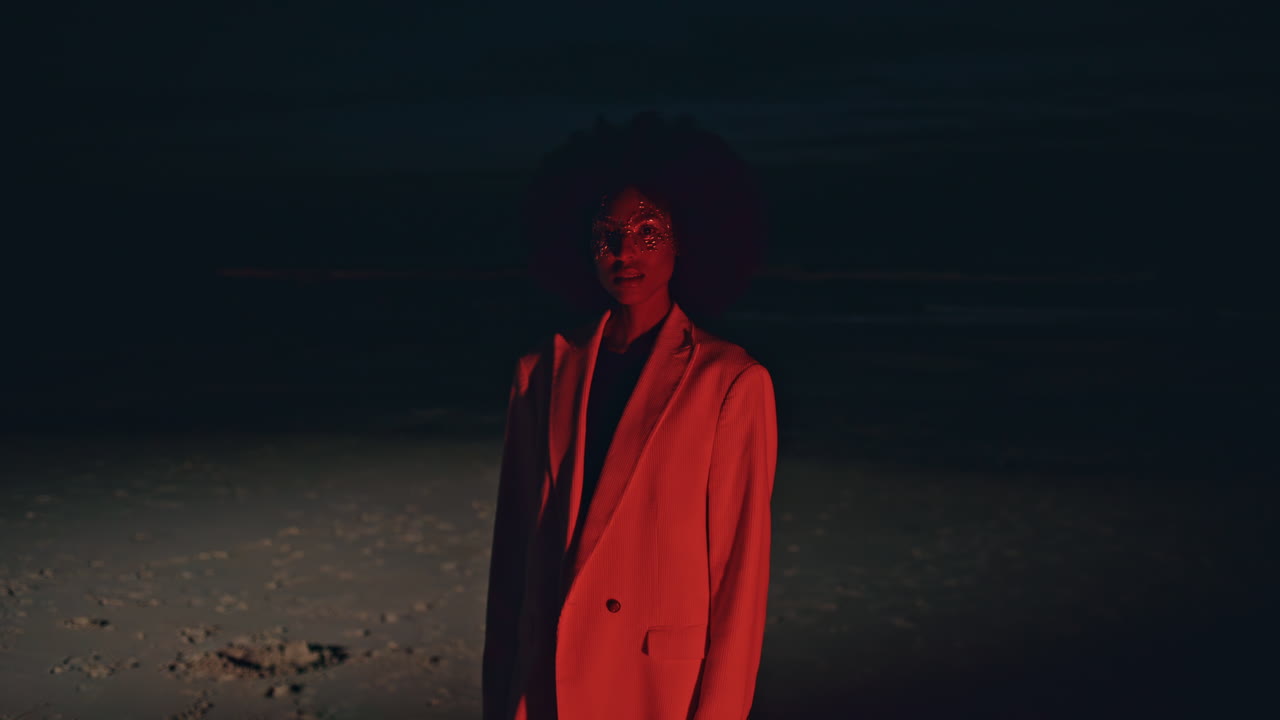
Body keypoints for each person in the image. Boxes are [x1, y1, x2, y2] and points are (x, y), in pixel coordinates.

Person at [483, 111, 777, 720]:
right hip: (547, 680)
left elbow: (739, 579)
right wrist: (499, 693)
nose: (624, 252)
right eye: (605, 234)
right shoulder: (539, 373)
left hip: (655, 691)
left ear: (687, 238)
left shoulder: (731, 384)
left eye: (648, 232)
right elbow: (511, 558)